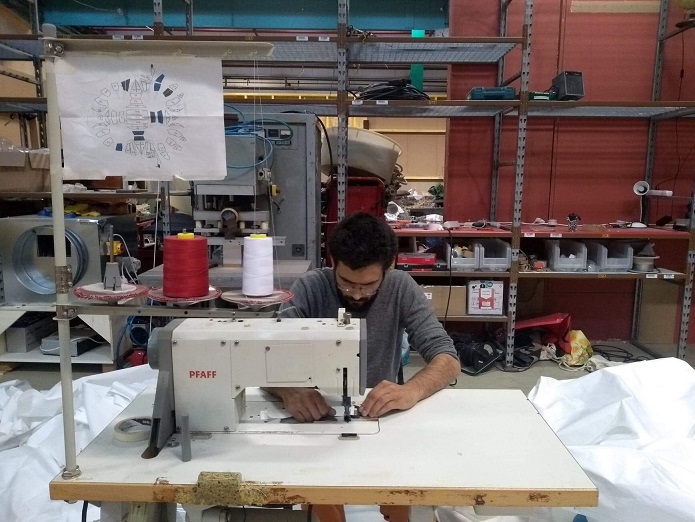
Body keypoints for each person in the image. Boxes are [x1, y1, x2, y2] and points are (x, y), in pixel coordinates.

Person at [267, 211, 460, 522]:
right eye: (346, 283)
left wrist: (411, 390)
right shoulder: (310, 289)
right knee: (320, 497)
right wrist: (290, 391)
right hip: (317, 416)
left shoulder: (401, 288)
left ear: (389, 266)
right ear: (333, 262)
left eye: (369, 285)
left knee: (398, 495)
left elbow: (447, 359)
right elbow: (267, 356)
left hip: (381, 416)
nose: (357, 293)